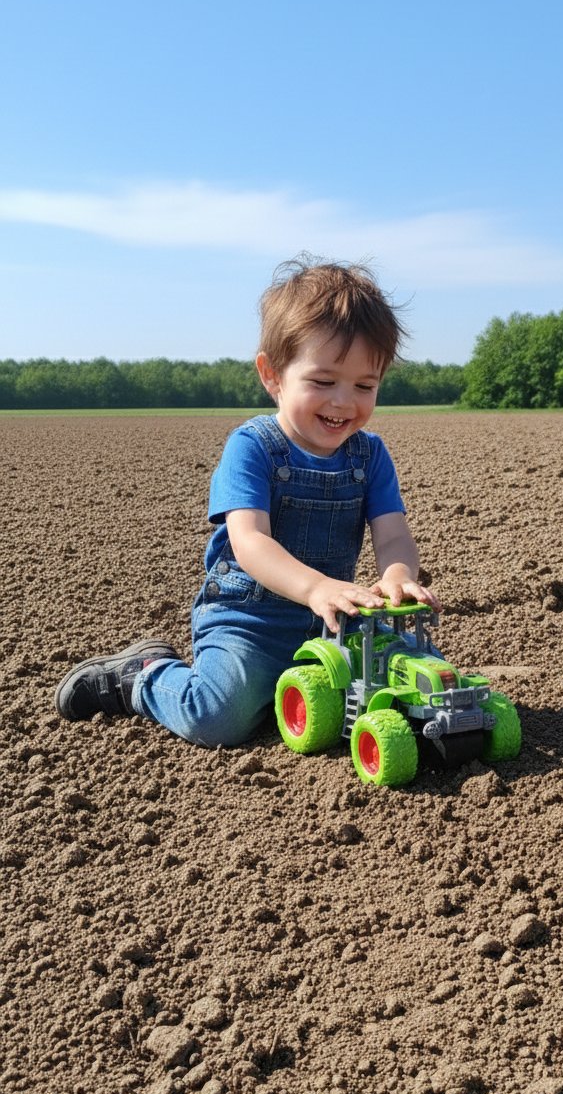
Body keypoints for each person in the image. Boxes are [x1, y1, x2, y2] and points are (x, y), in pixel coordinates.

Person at [54, 257, 441, 748]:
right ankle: (143, 676)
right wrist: (316, 586)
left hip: (335, 619)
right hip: (250, 620)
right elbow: (250, 542)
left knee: (420, 674)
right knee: (217, 716)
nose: (344, 401)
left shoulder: (371, 455)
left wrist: (397, 576)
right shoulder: (253, 446)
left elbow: (393, 534)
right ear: (272, 374)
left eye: (365, 385)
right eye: (323, 382)